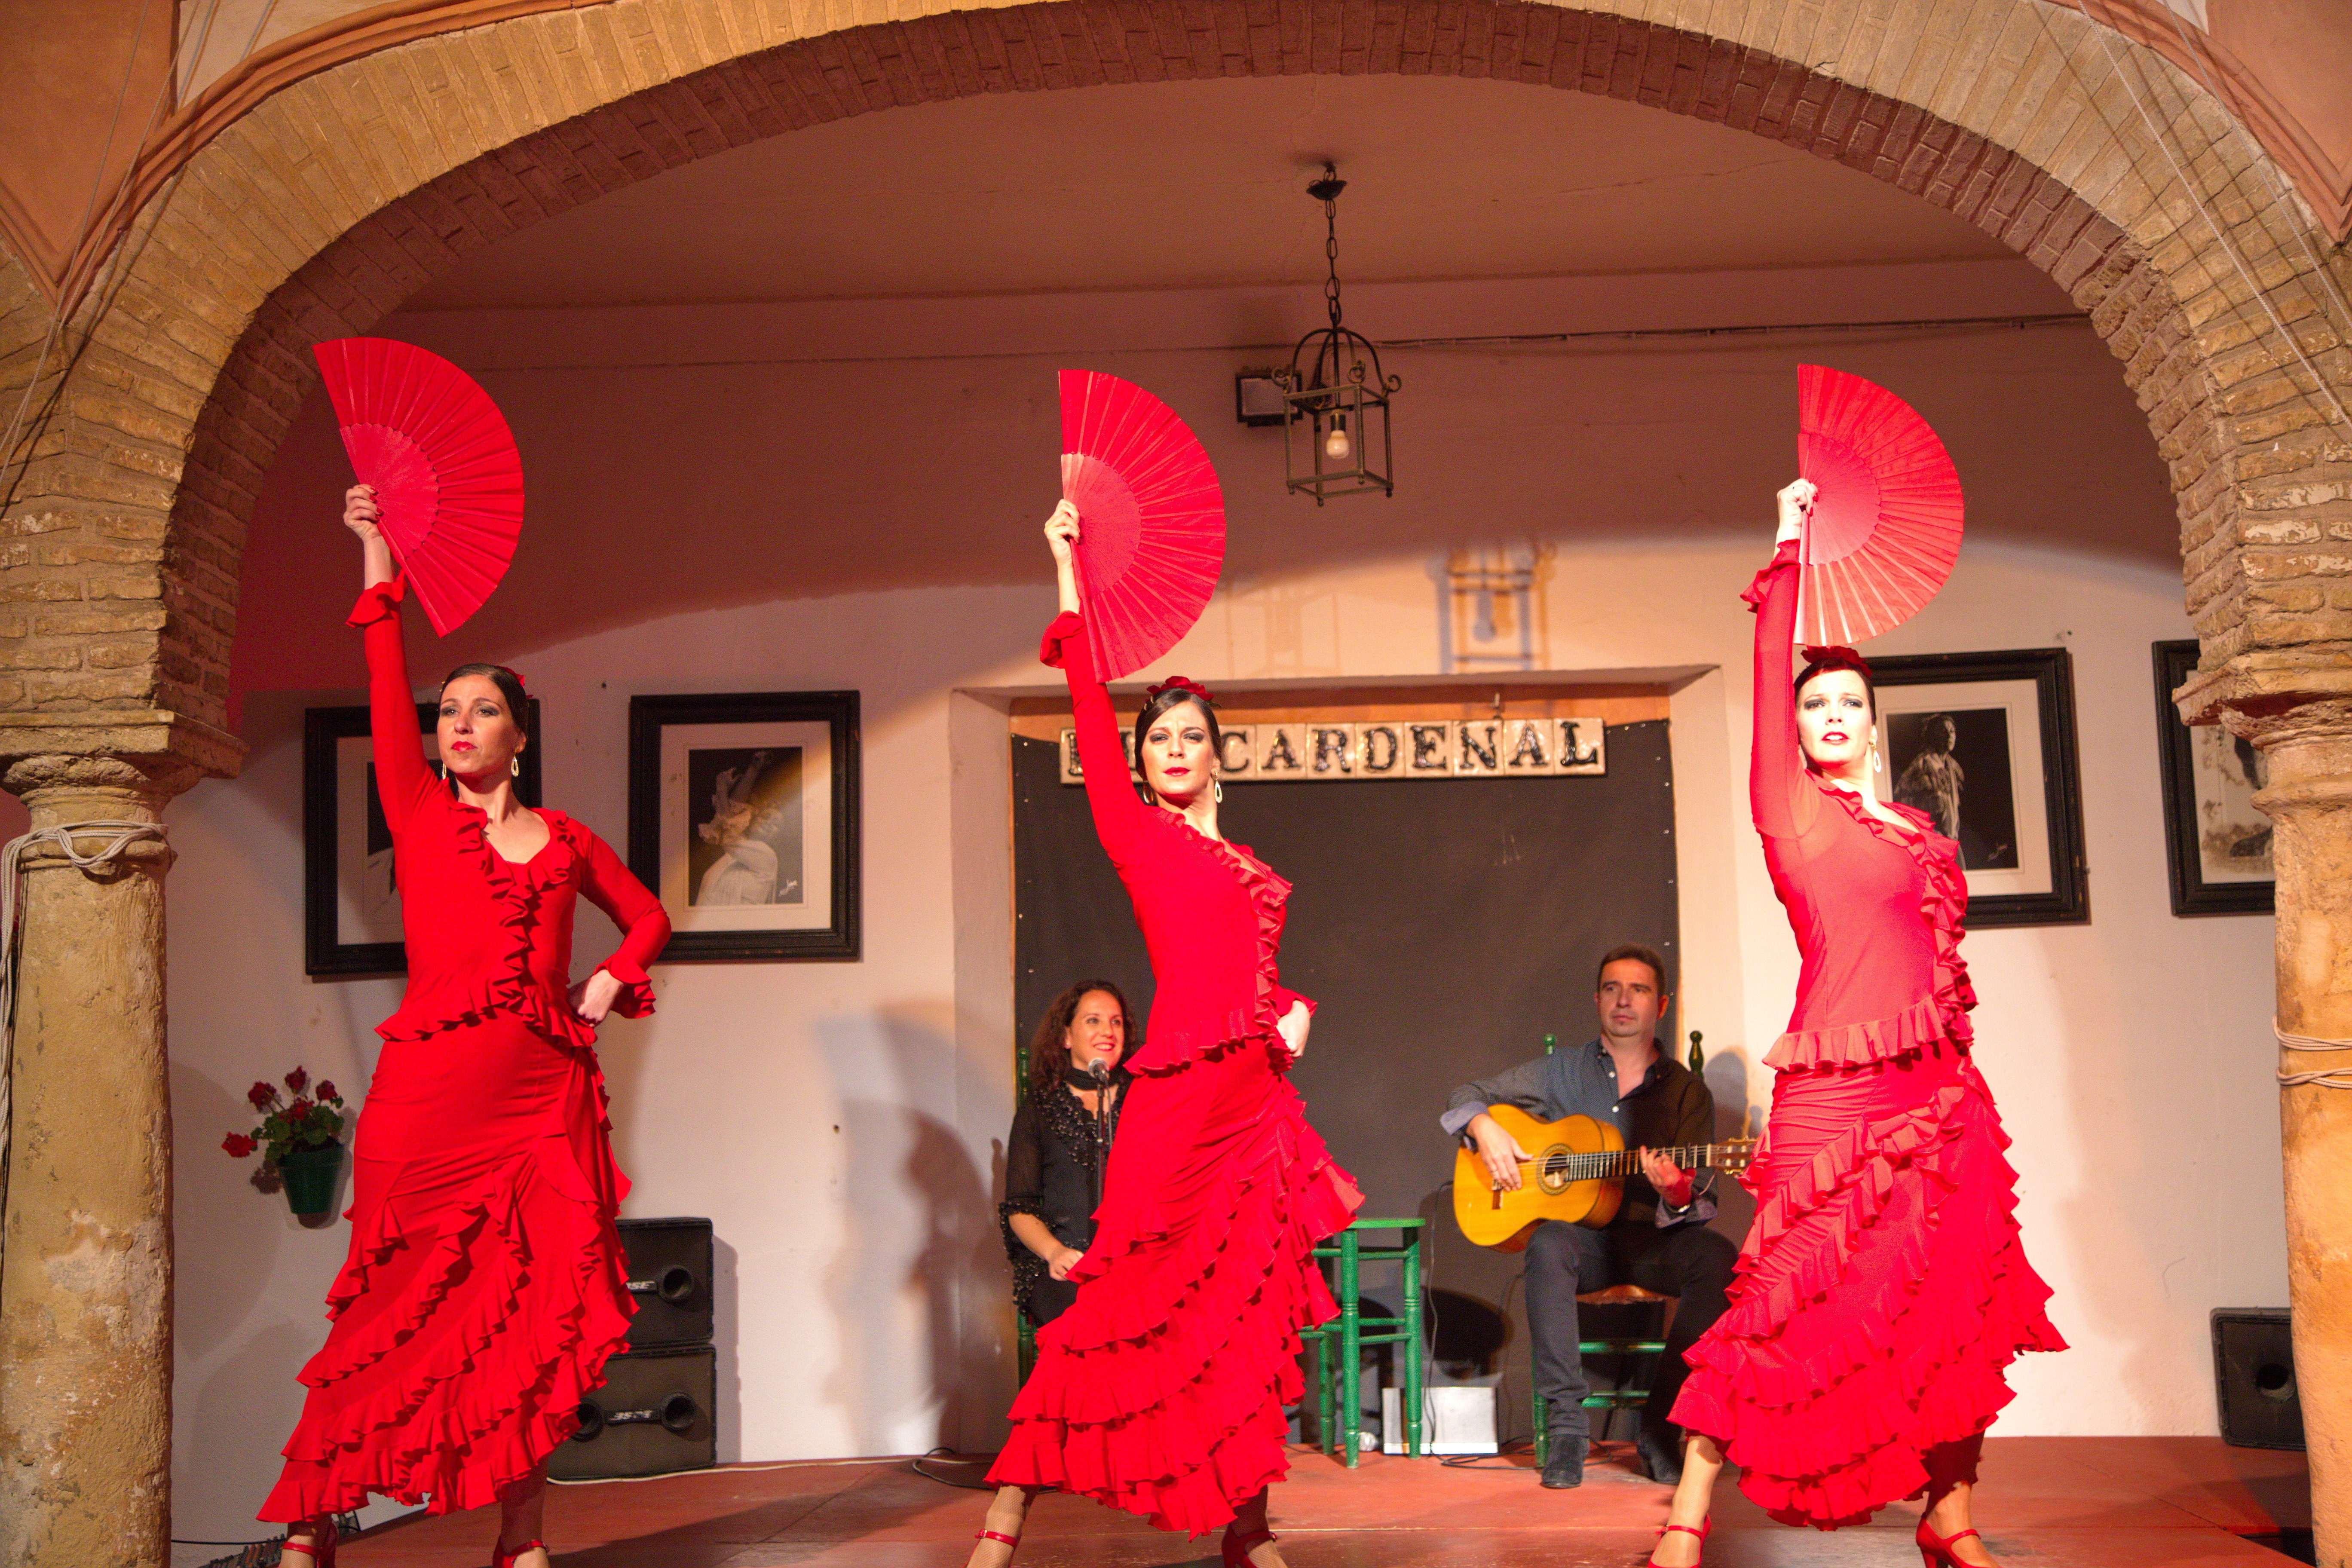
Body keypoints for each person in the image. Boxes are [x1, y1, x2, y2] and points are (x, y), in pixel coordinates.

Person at [1652, 480, 2063, 1568]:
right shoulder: (1789, 813)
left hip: (1936, 1095)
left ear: (1870, 723)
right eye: (1811, 707)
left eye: (1845, 706)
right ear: (1792, 729)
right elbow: (1763, 662)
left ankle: (1951, 1515)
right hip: (1834, 1091)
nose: (1828, 719)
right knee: (1780, 1303)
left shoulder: (1919, 829)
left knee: (1950, 1303)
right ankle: (1687, 1516)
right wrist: (1784, 547)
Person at [261, 484, 673, 1568]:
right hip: (431, 1100)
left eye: (480, 709)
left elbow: (651, 914)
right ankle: (313, 1525)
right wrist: (374, 557)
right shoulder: (413, 806)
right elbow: (380, 675)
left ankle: (520, 1538)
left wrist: (610, 976)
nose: (455, 724)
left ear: (519, 735)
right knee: (381, 1315)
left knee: (530, 1322)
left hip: (538, 1105)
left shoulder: (569, 840)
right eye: (449, 711)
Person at [971, 502, 1361, 1568]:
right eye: (1160, 738)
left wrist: (1288, 1025)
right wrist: (1066, 575)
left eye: (1193, 735)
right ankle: (1001, 1521)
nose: (1175, 747)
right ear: (1141, 764)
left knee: (1240, 1325)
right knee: (1116, 1307)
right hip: (1179, 1103)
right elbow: (1087, 709)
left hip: (1255, 1111)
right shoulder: (1135, 835)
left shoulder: (1244, 866)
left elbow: (1257, 982)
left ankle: (1249, 1530)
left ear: (1217, 758)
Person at [1443, 945, 1736, 1490]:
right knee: (1549, 1244)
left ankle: (1658, 1424)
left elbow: (1701, 1200)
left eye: (1640, 989)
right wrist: (1485, 1129)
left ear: (1662, 1005)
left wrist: (1675, 1192)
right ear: (1597, 999)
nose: (1623, 1000)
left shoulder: (1687, 1091)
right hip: (1586, 1241)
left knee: (1718, 1258)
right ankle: (1568, 1430)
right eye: (1611, 988)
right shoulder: (1561, 1071)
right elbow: (1466, 1094)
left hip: (1654, 1243)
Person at [1001, 980, 1135, 1328]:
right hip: (1065, 1263)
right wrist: (1054, 1252)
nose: (1108, 1030)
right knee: (1078, 1318)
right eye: (1093, 1020)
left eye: (1116, 1021)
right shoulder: (1040, 1108)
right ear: (1066, 1037)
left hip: (1137, 1261)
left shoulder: (1146, 1098)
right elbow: (1019, 1207)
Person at [1893, 714, 1963, 840]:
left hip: (1951, 839)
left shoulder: (1953, 767)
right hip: (1931, 839)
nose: (1949, 736)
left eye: (1952, 731)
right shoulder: (1922, 766)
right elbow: (1902, 803)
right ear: (1932, 736)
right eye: (1943, 732)